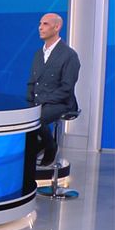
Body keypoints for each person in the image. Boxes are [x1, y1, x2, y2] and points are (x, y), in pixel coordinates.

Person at [27, 13, 80, 166]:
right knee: (24, 118)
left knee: (36, 119)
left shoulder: (69, 55)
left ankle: (50, 146)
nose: (40, 27)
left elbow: (66, 88)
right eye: (40, 24)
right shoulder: (38, 54)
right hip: (40, 101)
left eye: (45, 24)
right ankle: (35, 150)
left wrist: (41, 101)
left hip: (61, 102)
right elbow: (32, 82)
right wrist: (29, 101)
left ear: (57, 27)